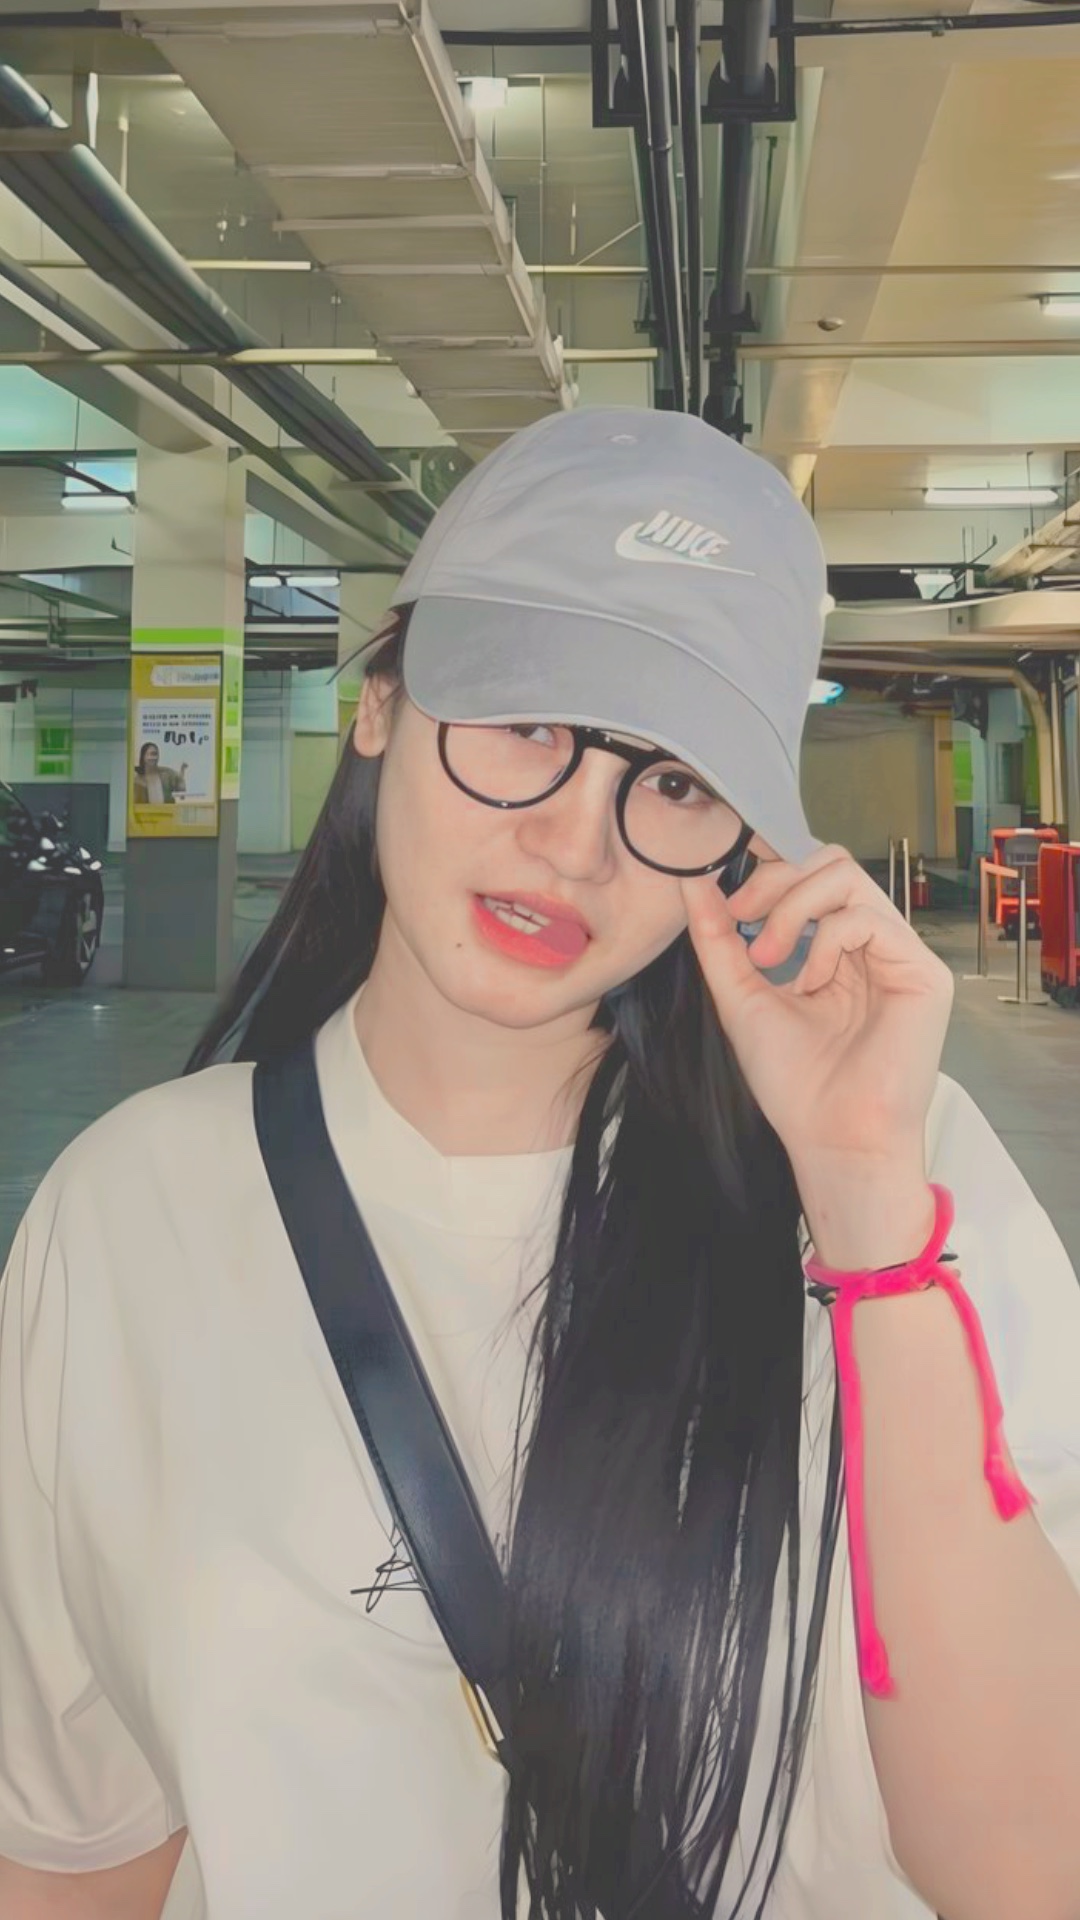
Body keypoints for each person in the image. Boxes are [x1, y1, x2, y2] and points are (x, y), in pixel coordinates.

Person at [1, 407, 1079, 1920]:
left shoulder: (908, 1183)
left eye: (676, 781)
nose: (579, 842)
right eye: (529, 721)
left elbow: (1029, 1872)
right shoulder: (134, 1213)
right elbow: (76, 1843)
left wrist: (865, 1209)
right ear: (382, 703)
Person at [134, 740, 188, 805]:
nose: (152, 757)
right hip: (145, 811)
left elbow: (181, 791)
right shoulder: (137, 778)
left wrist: (182, 770)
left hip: (167, 810)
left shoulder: (167, 773)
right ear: (143, 756)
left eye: (155, 754)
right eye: (149, 754)